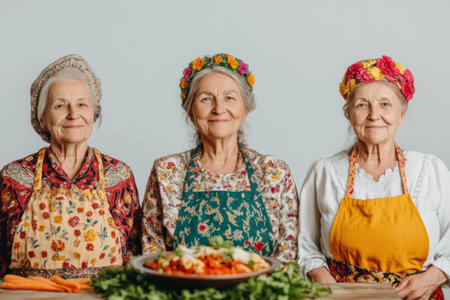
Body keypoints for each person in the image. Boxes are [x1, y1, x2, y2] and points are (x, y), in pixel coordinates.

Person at [298, 55, 450, 299]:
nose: (374, 115)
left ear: (401, 114)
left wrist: (433, 278)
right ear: (348, 114)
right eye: (362, 105)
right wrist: (325, 283)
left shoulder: (429, 170)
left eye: (385, 104)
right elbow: (305, 246)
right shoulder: (324, 172)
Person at [141, 53, 299, 263]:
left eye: (230, 98)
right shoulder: (166, 171)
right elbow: (152, 254)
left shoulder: (274, 171)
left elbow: (287, 255)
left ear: (245, 109)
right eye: (206, 99)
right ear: (190, 110)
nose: (218, 109)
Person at [0, 54, 141, 278]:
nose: (73, 114)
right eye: (60, 105)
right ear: (42, 119)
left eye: (82, 104)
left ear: (94, 115)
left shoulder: (118, 175)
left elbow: (135, 256)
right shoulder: (15, 177)